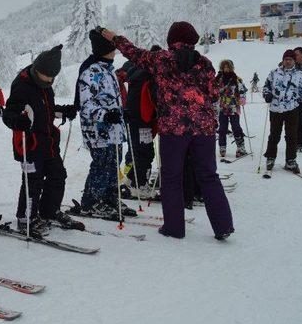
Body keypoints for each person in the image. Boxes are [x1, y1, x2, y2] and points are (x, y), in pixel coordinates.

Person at [101, 21, 234, 240]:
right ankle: (223, 226)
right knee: (209, 177)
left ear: (171, 40)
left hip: (173, 130)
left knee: (171, 178)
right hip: (204, 129)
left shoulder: (161, 60)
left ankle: (174, 227)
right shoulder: (206, 64)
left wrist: (115, 38)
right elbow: (213, 94)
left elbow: (134, 53)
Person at [2, 44, 81, 235]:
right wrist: (16, 120)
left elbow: (46, 109)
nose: (50, 80)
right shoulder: (22, 85)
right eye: (47, 76)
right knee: (32, 181)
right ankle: (25, 218)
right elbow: (8, 113)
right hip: (29, 143)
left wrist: (64, 110)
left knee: (57, 175)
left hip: (49, 141)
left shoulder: (45, 85)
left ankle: (49, 211)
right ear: (37, 70)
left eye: (53, 77)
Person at [73, 29, 136, 219]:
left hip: (114, 130)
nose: (115, 51)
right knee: (101, 165)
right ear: (104, 49)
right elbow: (85, 106)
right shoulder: (91, 73)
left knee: (114, 163)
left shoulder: (109, 71)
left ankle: (110, 197)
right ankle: (91, 202)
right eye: (113, 48)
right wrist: (106, 115)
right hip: (98, 130)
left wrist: (121, 112)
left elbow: (111, 100)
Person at [262, 49, 302, 174]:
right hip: (275, 108)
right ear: (283, 60)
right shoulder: (274, 73)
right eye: (286, 59)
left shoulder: (300, 74)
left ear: (294, 61)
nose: (288, 61)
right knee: (274, 135)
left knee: (291, 136)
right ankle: (270, 158)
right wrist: (267, 94)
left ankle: (290, 160)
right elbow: (266, 86)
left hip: (292, 109)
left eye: (290, 59)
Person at [121, 45, 162, 199]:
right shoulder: (148, 75)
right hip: (142, 120)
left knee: (140, 152)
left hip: (136, 119)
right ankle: (139, 185)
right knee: (144, 153)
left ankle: (132, 180)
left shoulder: (138, 72)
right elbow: (154, 99)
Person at [215, 59, 248, 158]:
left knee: (236, 127)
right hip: (222, 107)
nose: (226, 69)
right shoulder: (218, 79)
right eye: (224, 67)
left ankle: (241, 147)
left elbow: (243, 91)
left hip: (234, 107)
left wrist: (242, 99)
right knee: (222, 128)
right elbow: (214, 91)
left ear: (231, 68)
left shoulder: (237, 79)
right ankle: (222, 146)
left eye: (228, 67)